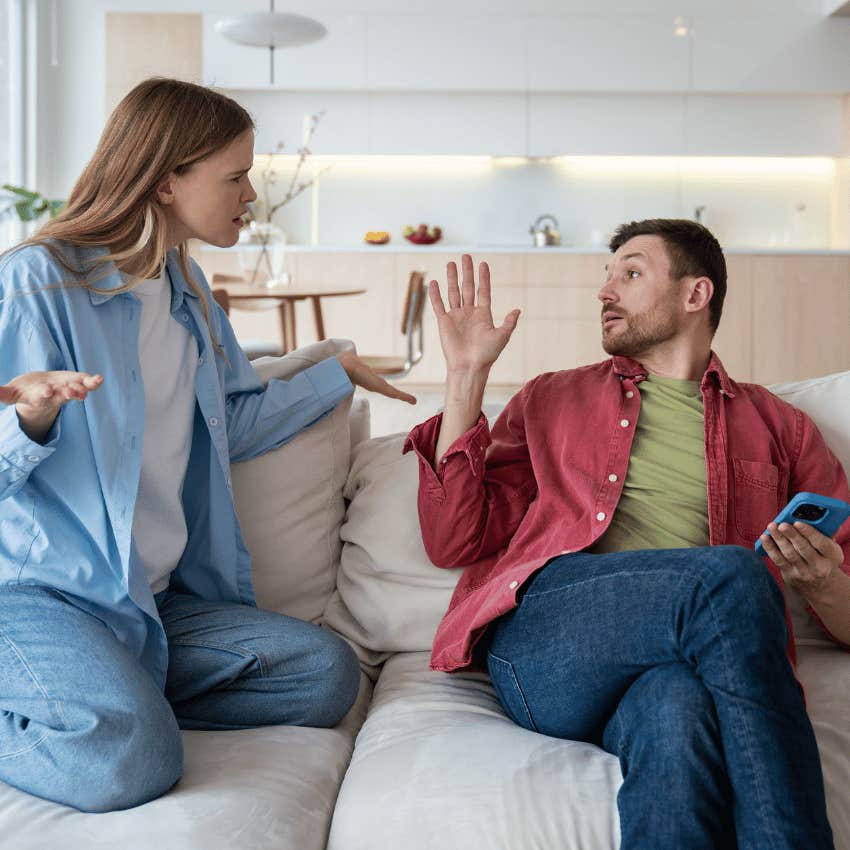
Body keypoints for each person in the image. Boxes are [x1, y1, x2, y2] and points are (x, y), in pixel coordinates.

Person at [0, 77, 416, 813]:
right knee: (129, 761)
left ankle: (108, 689)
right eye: (234, 176)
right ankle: (99, 701)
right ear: (166, 180)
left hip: (146, 603)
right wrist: (31, 422)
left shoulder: (185, 291)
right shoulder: (36, 284)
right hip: (38, 595)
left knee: (323, 674)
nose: (251, 194)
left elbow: (234, 423)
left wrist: (330, 373)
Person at [403, 219, 850, 849]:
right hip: (548, 641)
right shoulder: (552, 398)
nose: (605, 291)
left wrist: (824, 581)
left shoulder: (780, 427)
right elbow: (453, 539)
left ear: (696, 295)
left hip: (680, 658)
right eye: (606, 275)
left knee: (676, 711)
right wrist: (465, 376)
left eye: (631, 273)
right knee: (732, 573)